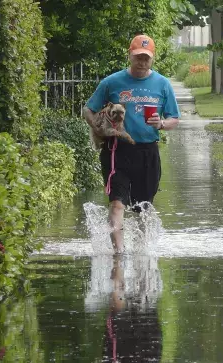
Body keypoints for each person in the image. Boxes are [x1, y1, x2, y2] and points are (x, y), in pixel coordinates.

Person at [83, 34, 180, 253]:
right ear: (130, 55)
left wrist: (162, 123)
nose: (142, 61)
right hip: (117, 150)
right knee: (117, 203)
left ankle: (142, 254)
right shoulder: (112, 82)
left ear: (152, 58)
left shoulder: (162, 84)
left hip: (148, 151)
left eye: (146, 57)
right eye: (138, 56)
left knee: (143, 208)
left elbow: (175, 118)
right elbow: (88, 109)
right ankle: (119, 255)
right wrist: (96, 125)